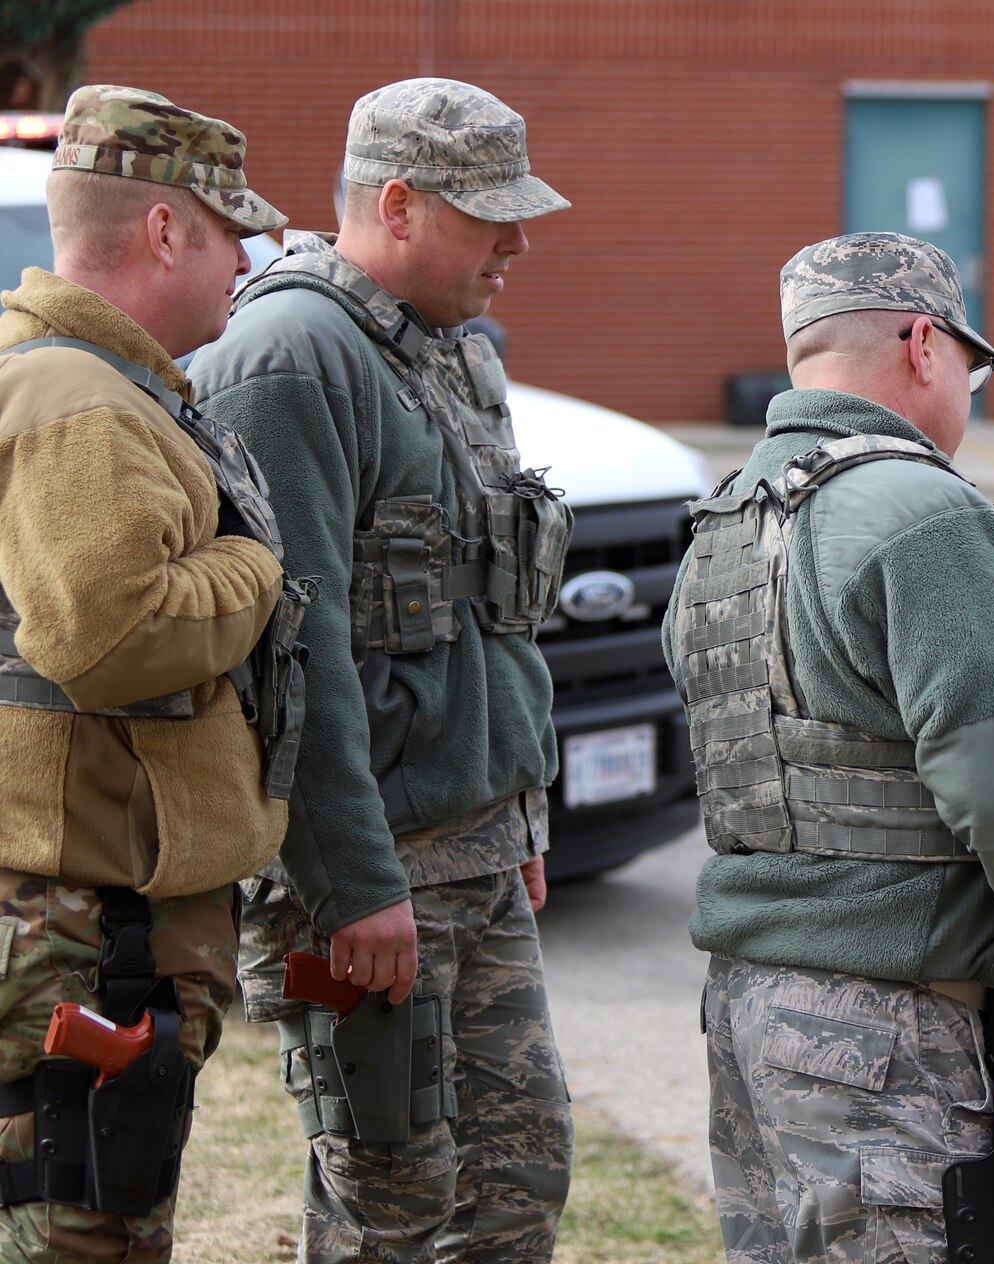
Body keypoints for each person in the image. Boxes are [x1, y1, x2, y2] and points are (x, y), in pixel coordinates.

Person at [664, 230, 994, 1263]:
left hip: (751, 1015)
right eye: (970, 367)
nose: (969, 394)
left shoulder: (723, 523)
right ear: (922, 342)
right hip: (888, 1035)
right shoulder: (922, 516)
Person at [191, 78, 574, 1262]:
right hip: (372, 874)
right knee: (388, 1216)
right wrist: (352, 881)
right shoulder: (291, 354)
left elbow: (476, 609)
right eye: (487, 214)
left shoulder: (439, 348)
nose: (515, 243)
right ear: (397, 204)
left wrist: (520, 813)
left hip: (471, 848)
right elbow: (290, 649)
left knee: (513, 1186)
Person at [0, 85, 297, 1260]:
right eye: (232, 231)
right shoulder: (77, 402)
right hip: (85, 924)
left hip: (106, 913)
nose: (249, 257)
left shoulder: (110, 386)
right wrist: (253, 569)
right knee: (79, 1225)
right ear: (167, 230)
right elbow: (107, 636)